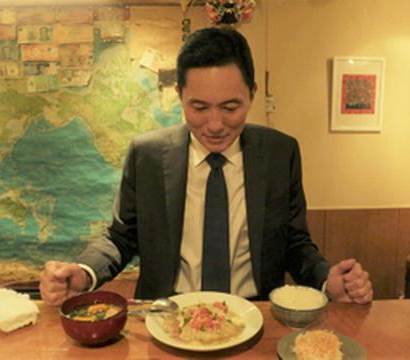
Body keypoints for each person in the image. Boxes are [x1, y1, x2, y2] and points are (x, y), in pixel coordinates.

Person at [40, 27, 373, 306]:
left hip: (254, 320)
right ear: (179, 94)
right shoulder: (148, 155)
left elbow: (294, 243)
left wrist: (326, 281)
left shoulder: (279, 153)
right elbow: (121, 238)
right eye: (198, 107)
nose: (215, 125)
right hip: (168, 320)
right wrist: (84, 272)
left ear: (252, 94)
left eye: (231, 107)